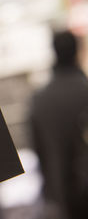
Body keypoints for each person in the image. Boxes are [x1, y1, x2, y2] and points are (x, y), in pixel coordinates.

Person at [29, 30, 88, 219]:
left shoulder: (40, 100)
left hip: (62, 194)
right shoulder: (84, 91)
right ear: (78, 51)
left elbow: (37, 150)